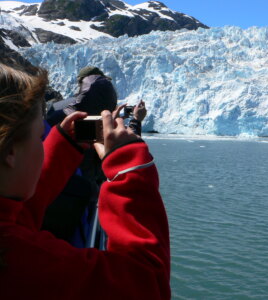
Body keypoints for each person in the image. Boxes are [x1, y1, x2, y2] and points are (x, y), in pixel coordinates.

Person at [0, 65, 170, 298]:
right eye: (40, 136)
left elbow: (20, 217)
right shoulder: (23, 260)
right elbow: (146, 282)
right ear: (10, 151)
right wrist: (130, 167)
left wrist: (64, 142)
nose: (42, 143)